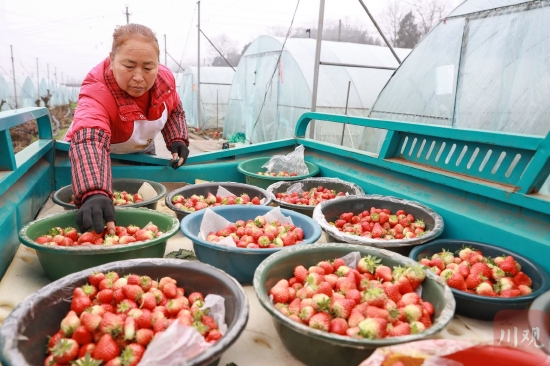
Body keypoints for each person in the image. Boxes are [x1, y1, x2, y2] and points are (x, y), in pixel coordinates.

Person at [64, 23, 189, 236]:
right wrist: (94, 191)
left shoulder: (165, 80)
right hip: (96, 158)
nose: (139, 77)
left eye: (148, 68)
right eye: (129, 66)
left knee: (141, 198)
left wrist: (177, 137)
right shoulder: (97, 90)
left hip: (140, 152)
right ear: (112, 60)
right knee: (100, 204)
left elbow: (174, 108)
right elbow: (90, 139)